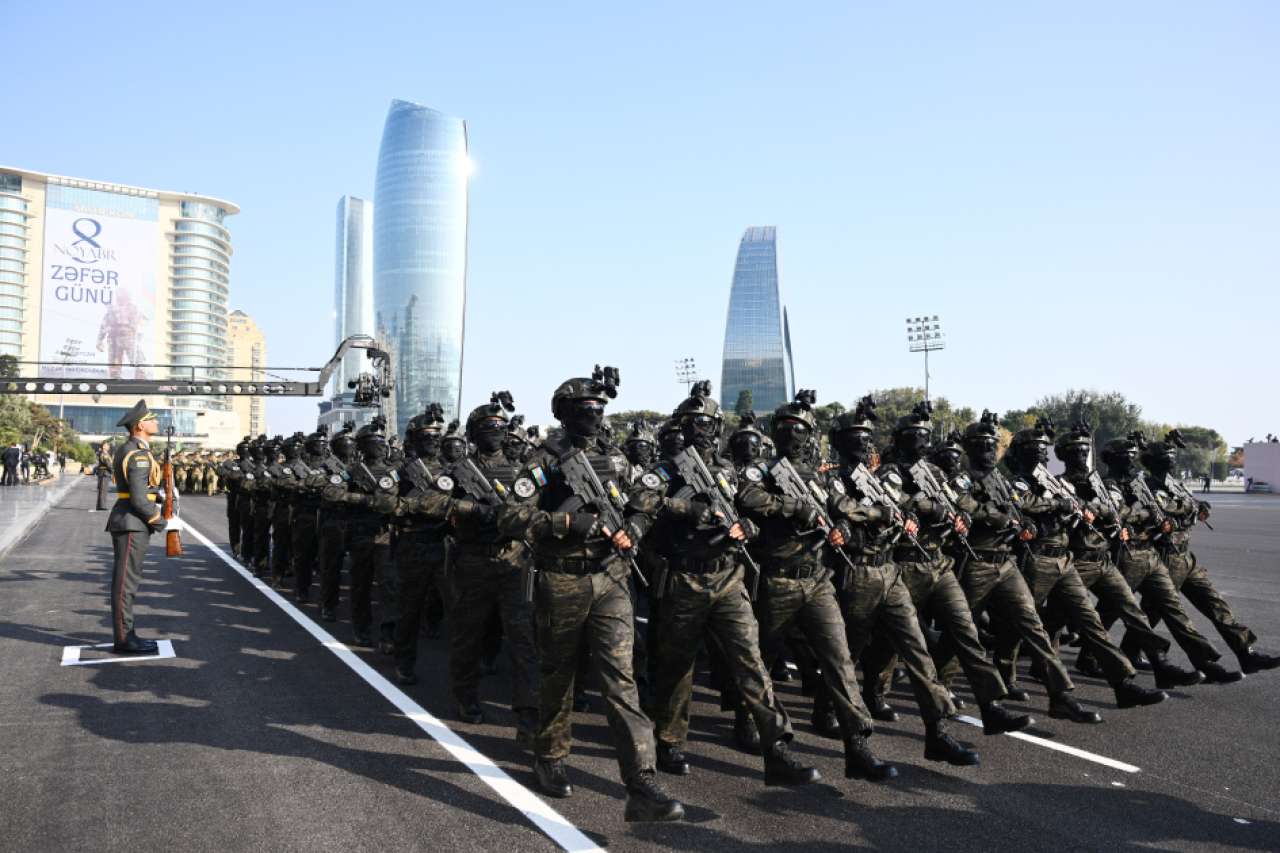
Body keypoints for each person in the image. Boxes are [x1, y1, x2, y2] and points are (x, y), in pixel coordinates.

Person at [498, 365, 685, 823]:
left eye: (599, 408)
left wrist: (634, 527)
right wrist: (568, 522)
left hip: (610, 577)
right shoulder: (545, 461)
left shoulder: (615, 457)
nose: (595, 415)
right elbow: (509, 516)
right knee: (557, 675)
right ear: (564, 413)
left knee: (621, 680)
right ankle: (550, 754)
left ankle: (641, 781)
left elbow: (643, 501)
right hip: (561, 579)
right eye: (585, 408)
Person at [647, 381, 819, 786]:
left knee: (751, 661)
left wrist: (748, 528)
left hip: (728, 576)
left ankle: (776, 747)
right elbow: (641, 501)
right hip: (685, 577)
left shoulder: (729, 471)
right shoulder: (664, 470)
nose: (700, 429)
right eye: (692, 422)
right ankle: (669, 740)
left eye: (706, 423)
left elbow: (755, 511)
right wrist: (686, 508)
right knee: (677, 666)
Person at [737, 391, 896, 782]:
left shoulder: (821, 477)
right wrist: (794, 507)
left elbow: (839, 507)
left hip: (819, 579)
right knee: (761, 661)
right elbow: (748, 497)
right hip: (777, 579)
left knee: (840, 661)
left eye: (800, 429)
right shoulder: (761, 469)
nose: (793, 434)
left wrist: (843, 527)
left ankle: (857, 745)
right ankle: (752, 724)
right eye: (786, 428)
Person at [997, 419, 1167, 712]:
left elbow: (1084, 504)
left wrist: (1080, 508)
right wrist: (1059, 505)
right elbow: (1024, 502)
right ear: (1022, 451)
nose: (1042, 452)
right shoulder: (1017, 481)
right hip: (1037, 559)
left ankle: (1122, 684)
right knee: (1020, 623)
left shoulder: (1054, 481)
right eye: (1036, 448)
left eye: (1044, 448)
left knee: (1090, 620)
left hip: (1065, 558)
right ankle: (1003, 677)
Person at [1139, 432, 1280, 674]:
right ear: (1155, 462)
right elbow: (1168, 511)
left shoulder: (1174, 484)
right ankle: (1128, 652)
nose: (1173, 459)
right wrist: (1190, 509)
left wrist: (1200, 507)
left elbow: (1191, 506)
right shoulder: (1147, 488)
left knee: (1216, 605)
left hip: (1185, 557)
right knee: (1156, 612)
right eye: (1167, 456)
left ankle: (1245, 653)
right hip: (1164, 558)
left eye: (1173, 455)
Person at [445, 393, 540, 743]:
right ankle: (465, 697)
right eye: (487, 427)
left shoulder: (522, 470)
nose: (495, 432)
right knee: (467, 636)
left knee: (523, 640)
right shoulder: (458, 471)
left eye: (499, 426)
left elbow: (539, 506)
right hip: (473, 561)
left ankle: (528, 715)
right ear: (473, 433)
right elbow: (431, 503)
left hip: (514, 560)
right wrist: (471, 509)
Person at [104, 399, 165, 654]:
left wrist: (157, 496)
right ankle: (124, 639)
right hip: (132, 522)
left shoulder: (133, 448)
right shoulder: (138, 453)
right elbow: (138, 498)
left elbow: (140, 490)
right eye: (152, 419)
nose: (156, 422)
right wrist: (158, 519)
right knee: (125, 584)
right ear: (140, 425)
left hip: (131, 520)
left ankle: (128, 634)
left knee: (127, 582)